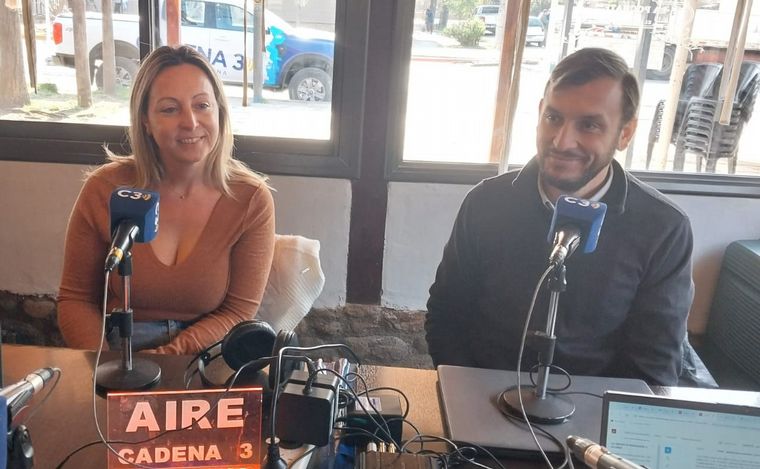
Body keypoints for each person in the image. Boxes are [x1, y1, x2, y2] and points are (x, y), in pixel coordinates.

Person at [425, 48, 694, 386]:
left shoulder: (664, 229)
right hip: (483, 399)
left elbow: (652, 369)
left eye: (590, 125)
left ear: (625, 133)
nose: (563, 141)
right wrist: (466, 393)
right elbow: (447, 314)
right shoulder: (485, 203)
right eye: (553, 118)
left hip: (592, 418)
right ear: (539, 113)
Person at [58, 45, 275, 355]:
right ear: (145, 120)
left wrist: (165, 362)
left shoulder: (251, 199)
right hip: (117, 351)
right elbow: (76, 300)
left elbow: (238, 313)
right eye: (170, 109)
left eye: (202, 105)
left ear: (219, 112)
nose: (190, 122)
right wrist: (105, 367)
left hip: (206, 354)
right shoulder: (104, 188)